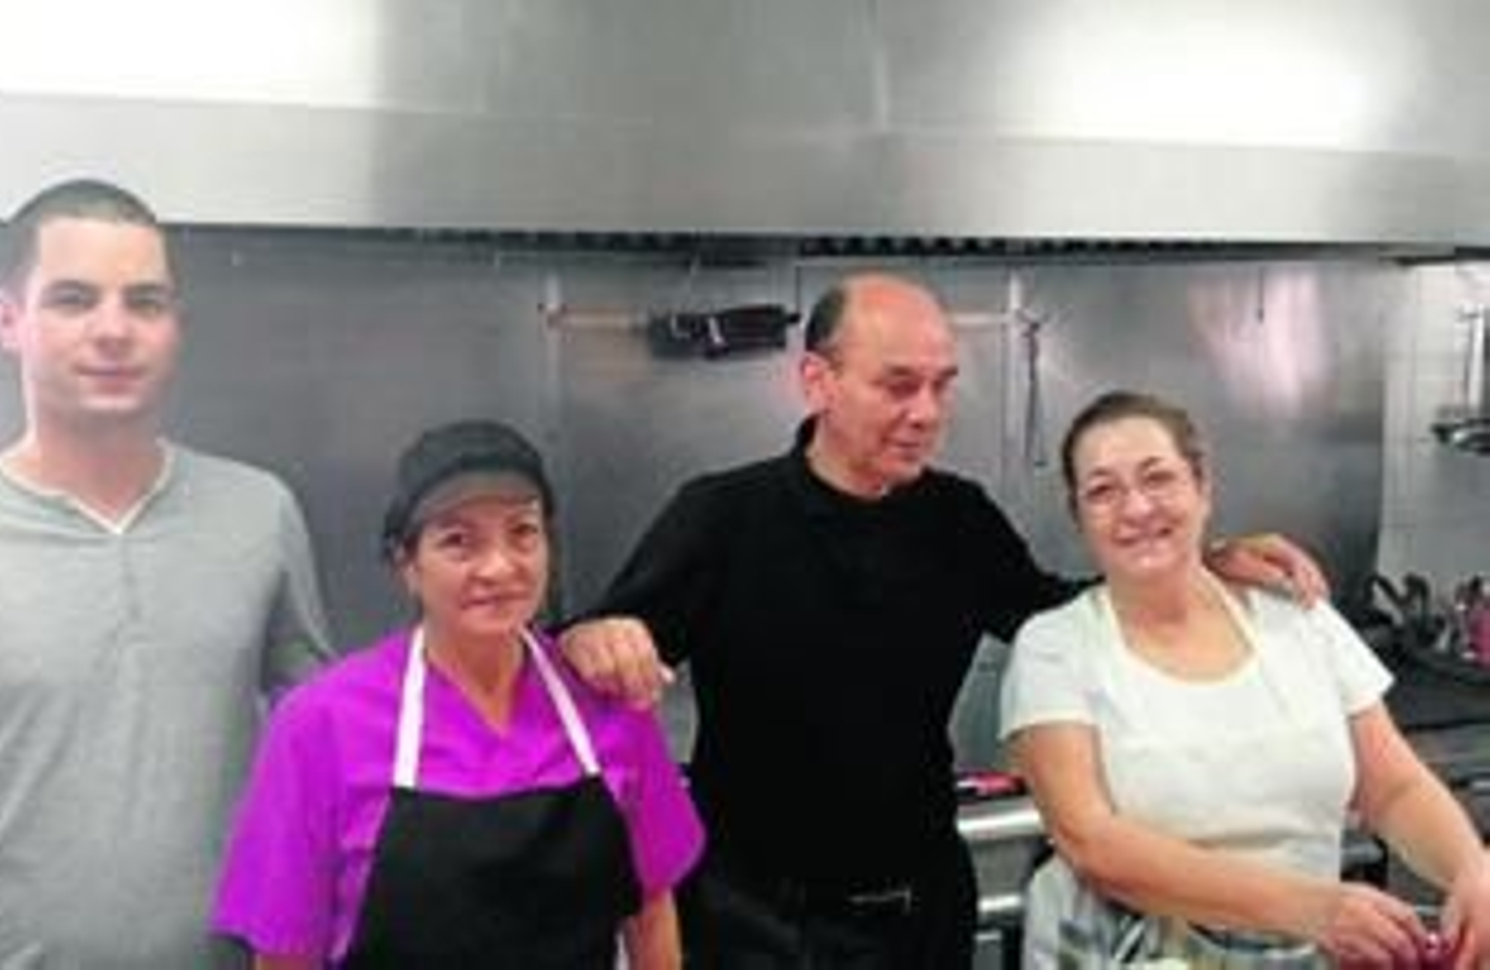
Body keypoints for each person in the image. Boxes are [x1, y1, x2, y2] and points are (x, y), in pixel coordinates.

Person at [560, 273, 1326, 968]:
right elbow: (594, 655)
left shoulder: (957, 519)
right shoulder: (724, 517)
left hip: (922, 915)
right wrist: (595, 638)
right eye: (898, 385)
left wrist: (1196, 561)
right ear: (816, 381)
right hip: (753, 923)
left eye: (941, 386)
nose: (925, 413)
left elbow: (1061, 613)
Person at [0, 178, 333, 968]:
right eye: (73, 299)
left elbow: (332, 753)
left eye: (145, 302)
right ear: (7, 320)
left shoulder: (258, 514)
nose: (114, 330)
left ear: (176, 326)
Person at [1001, 389, 1490, 967]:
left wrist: (1472, 868)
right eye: (1103, 491)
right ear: (1080, 517)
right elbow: (1094, 845)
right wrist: (1312, 908)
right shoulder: (1056, 646)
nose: (1136, 508)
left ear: (1202, 487)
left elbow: (1392, 786)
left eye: (1158, 478)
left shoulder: (1298, 616)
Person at [212, 419, 704, 968]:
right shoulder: (321, 722)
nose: (499, 567)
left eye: (522, 532)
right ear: (407, 564)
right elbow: (285, 953)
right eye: (458, 541)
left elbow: (651, 914)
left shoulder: (608, 701)